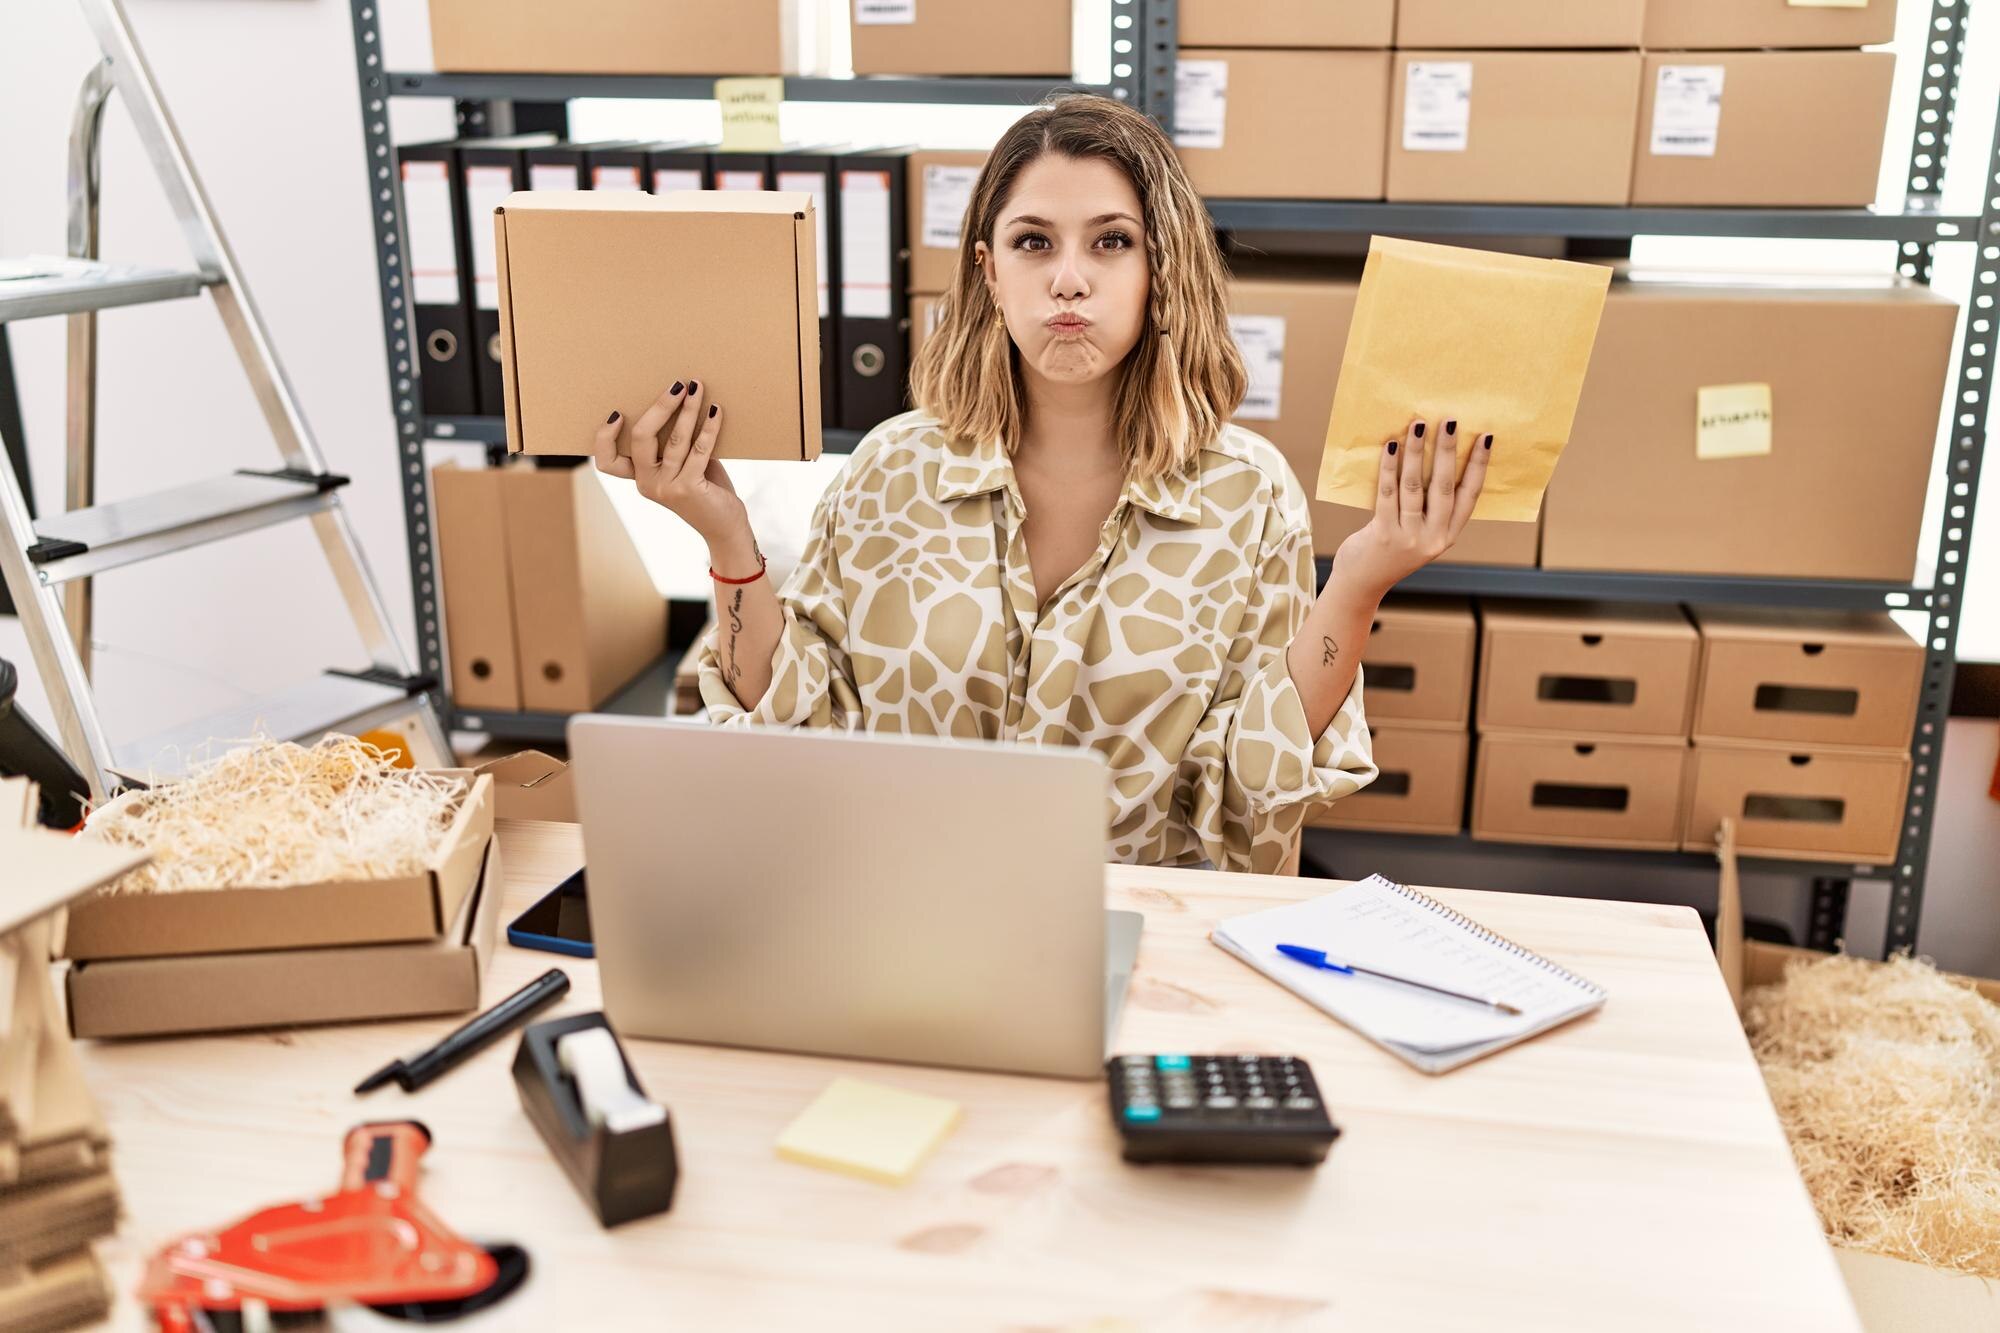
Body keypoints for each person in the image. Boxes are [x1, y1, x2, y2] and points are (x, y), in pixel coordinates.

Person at [593, 93, 1490, 874]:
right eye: (1033, 242)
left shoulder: (1247, 497)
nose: (1069, 279)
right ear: (989, 270)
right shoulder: (889, 471)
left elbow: (1251, 794)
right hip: (898, 918)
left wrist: (1362, 579)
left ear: (1159, 267)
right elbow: (790, 734)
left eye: (1111, 242)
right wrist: (726, 541)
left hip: (1138, 933)